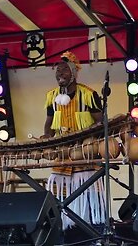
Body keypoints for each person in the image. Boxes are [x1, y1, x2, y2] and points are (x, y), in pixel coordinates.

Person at [41, 51, 105, 230]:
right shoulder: (51, 96)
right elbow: (49, 123)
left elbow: (101, 122)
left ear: (73, 73)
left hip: (86, 155)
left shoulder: (88, 95)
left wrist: (89, 138)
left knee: (90, 197)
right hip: (62, 155)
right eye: (57, 72)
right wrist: (46, 137)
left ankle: (94, 232)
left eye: (64, 71)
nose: (59, 74)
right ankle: (63, 231)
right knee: (58, 197)